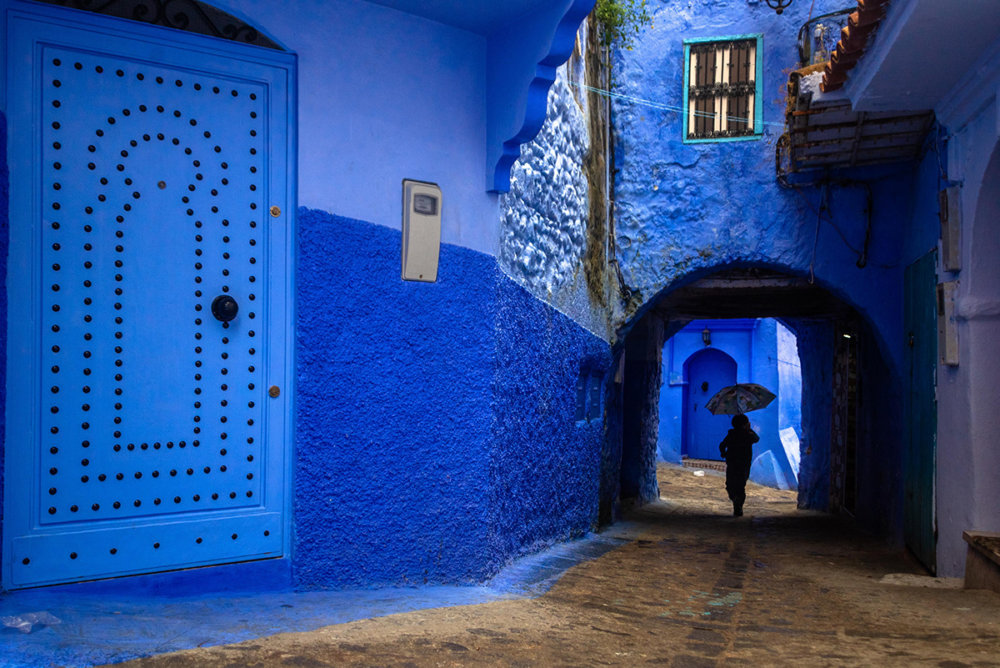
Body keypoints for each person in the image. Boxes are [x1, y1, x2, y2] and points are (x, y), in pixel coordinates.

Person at [719, 414, 759, 516]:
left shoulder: (731, 434)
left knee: (730, 485)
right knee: (741, 486)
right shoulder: (748, 435)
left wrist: (723, 453)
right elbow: (756, 438)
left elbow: (722, 445)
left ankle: (735, 501)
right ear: (746, 424)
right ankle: (738, 505)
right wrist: (749, 429)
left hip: (732, 464)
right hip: (744, 465)